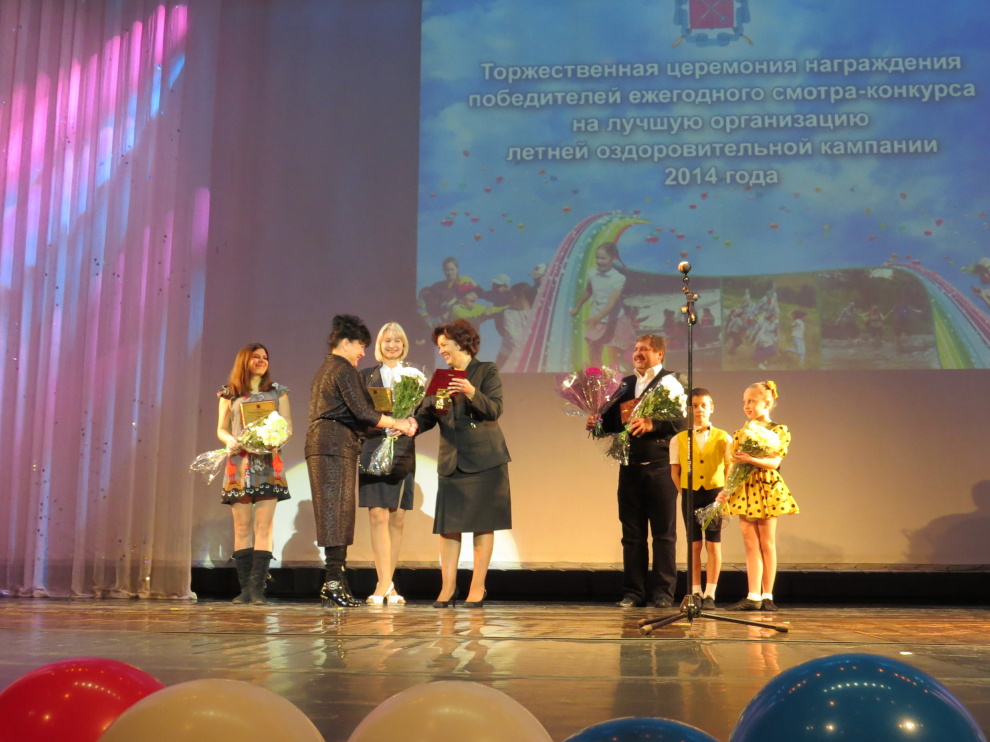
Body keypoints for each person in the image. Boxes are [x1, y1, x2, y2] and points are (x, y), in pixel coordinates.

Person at [306, 315, 415, 608]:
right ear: (346, 343)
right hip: (333, 445)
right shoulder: (343, 370)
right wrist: (397, 422)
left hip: (329, 444)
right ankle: (333, 583)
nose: (363, 353)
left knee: (336, 513)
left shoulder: (327, 368)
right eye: (360, 346)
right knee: (336, 513)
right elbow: (363, 412)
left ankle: (335, 583)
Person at [414, 318, 511, 608]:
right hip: (452, 459)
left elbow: (494, 409)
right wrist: (410, 425)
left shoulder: (486, 370)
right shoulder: (440, 377)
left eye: (445, 344)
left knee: (483, 525)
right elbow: (428, 414)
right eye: (439, 346)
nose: (441, 350)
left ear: (462, 342)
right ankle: (448, 587)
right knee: (449, 527)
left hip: (485, 461)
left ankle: (477, 588)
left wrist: (470, 391)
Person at [594, 334, 686, 608]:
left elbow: (682, 421)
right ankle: (633, 593)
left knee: (664, 535)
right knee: (632, 535)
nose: (637, 353)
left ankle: (663, 593)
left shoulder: (673, 382)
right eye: (635, 349)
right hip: (629, 468)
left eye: (644, 349)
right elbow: (614, 422)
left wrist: (653, 423)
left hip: (661, 468)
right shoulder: (625, 384)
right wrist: (597, 423)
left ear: (659, 354)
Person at [216, 343, 292, 605]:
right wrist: (230, 440)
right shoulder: (229, 393)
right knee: (241, 526)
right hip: (239, 463)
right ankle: (245, 590)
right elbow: (221, 429)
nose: (262, 361)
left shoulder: (278, 392)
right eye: (256, 357)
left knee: (263, 526)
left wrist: (275, 439)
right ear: (244, 361)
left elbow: (287, 427)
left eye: (265, 357)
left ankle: (257, 589)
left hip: (268, 463)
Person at [716, 380, 799, 612]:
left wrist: (751, 459)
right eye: (745, 402)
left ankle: (767, 595)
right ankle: (753, 596)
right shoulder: (741, 433)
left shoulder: (778, 430)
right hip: (746, 488)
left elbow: (774, 462)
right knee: (750, 542)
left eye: (752, 401)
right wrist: (726, 490)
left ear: (767, 402)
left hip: (766, 487)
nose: (747, 406)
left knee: (767, 542)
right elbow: (735, 466)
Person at [358, 322, 417, 605]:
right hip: (373, 446)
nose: (392, 345)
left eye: (397, 340)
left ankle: (387, 585)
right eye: (387, 340)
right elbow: (358, 412)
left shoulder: (414, 377)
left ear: (404, 345)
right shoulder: (365, 376)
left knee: (397, 517)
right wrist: (384, 424)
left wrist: (409, 423)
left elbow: (422, 413)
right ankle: (383, 585)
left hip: (403, 449)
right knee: (377, 515)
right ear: (379, 345)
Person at [669, 388, 731, 611]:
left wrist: (724, 493)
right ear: (689, 409)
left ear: (711, 407)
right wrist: (685, 493)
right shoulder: (679, 439)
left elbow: (729, 468)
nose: (699, 410)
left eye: (704, 405)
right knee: (694, 545)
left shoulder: (724, 437)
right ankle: (695, 591)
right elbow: (675, 471)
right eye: (695, 406)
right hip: (690, 494)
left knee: (713, 544)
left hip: (715, 494)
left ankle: (710, 593)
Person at [570, 241, 636, 368]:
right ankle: (596, 370)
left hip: (615, 319)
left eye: (603, 258)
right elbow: (588, 290)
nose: (599, 261)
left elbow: (611, 302)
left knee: (624, 348)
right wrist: (577, 307)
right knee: (594, 344)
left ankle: (638, 370)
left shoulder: (618, 278)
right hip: (599, 318)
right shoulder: (592, 273)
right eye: (597, 258)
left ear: (613, 259)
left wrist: (597, 318)